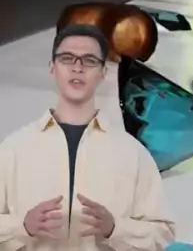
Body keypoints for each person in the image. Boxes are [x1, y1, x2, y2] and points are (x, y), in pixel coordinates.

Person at [0, 24, 175, 250]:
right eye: (67, 58)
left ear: (103, 73)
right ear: (52, 68)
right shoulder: (14, 149)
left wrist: (116, 229)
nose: (77, 67)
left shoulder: (133, 153)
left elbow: (162, 232)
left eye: (89, 60)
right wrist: (21, 227)